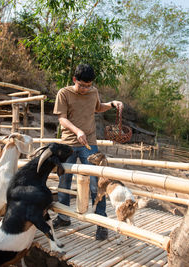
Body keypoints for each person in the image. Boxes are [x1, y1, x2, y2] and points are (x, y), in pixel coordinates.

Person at [52, 63, 123, 240]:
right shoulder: (64, 93)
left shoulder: (93, 92)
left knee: (96, 184)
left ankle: (101, 223)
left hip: (89, 144)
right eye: (81, 85)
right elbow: (61, 118)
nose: (85, 89)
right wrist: (77, 131)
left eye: (88, 85)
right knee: (64, 181)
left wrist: (112, 104)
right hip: (68, 143)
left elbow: (98, 107)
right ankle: (63, 216)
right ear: (74, 79)